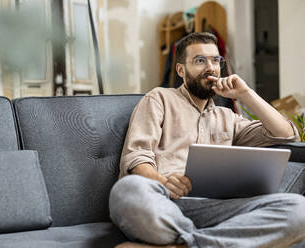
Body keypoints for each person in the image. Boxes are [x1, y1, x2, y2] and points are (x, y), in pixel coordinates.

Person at [109, 32, 305, 248]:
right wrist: (163, 182)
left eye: (215, 60)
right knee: (128, 190)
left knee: (299, 209)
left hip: (217, 208)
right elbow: (136, 157)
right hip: (164, 202)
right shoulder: (159, 98)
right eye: (200, 60)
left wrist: (245, 93)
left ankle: (184, 244)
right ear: (181, 70)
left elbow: (286, 134)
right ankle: (213, 240)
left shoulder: (227, 117)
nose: (210, 67)